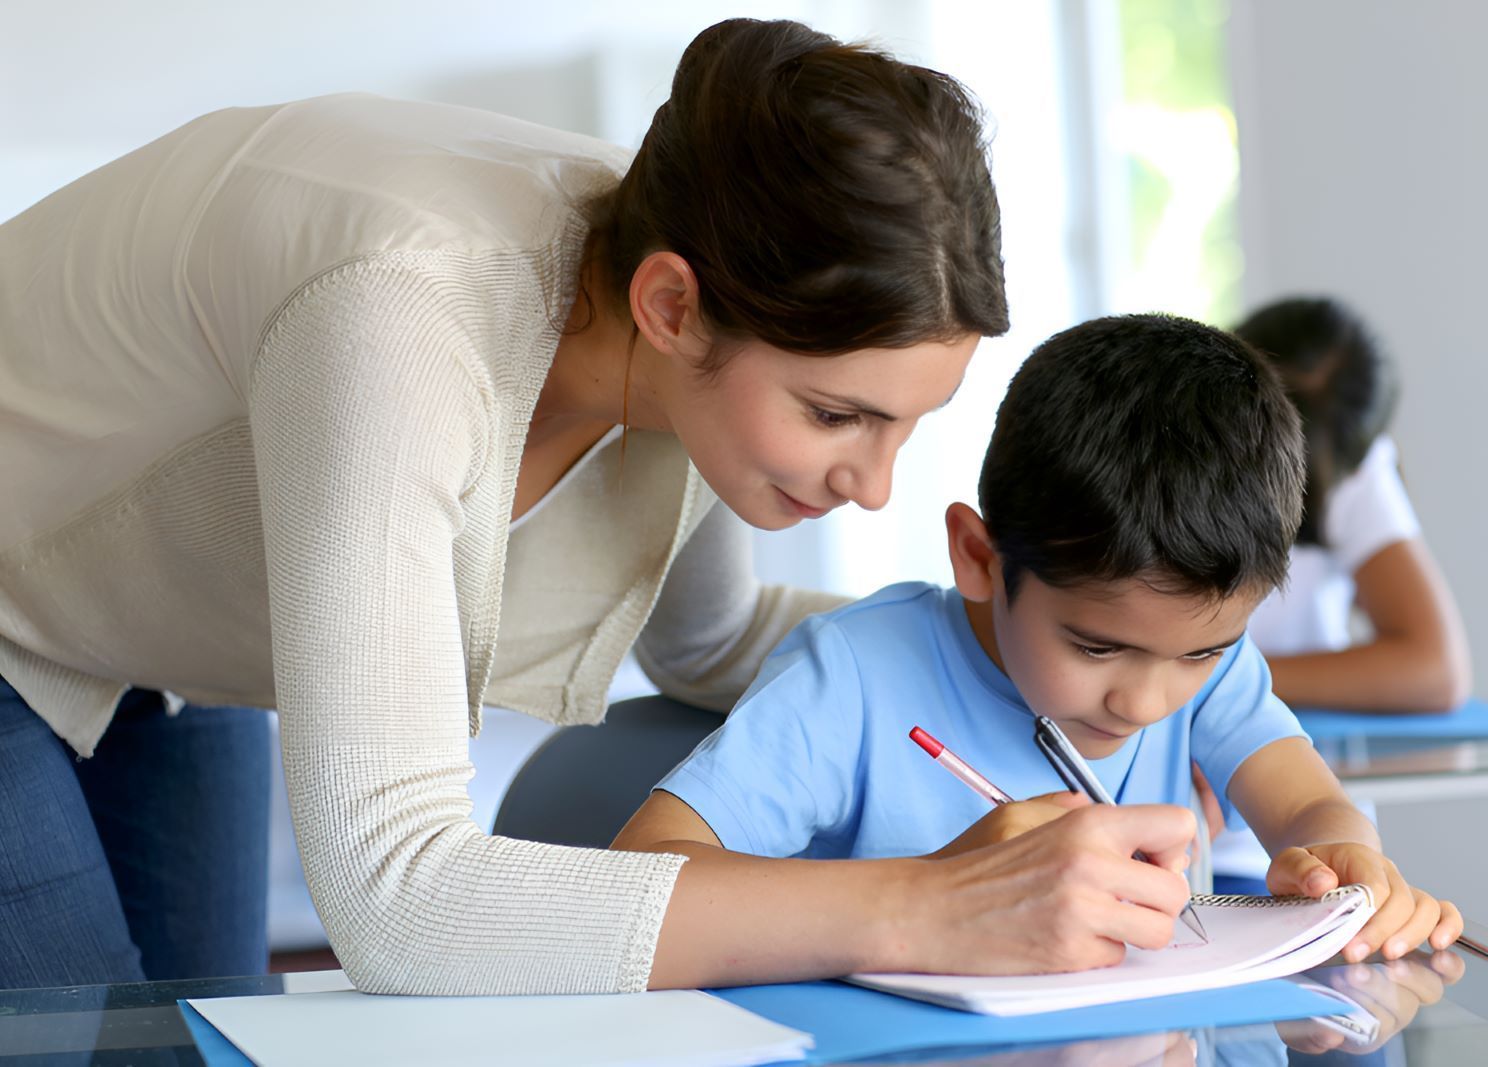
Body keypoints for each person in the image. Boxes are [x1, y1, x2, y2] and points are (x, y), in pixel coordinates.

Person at [0, 17, 1170, 995]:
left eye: (905, 422)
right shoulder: (402, 318)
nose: (873, 482)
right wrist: (926, 906)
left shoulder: (678, 296)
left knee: (201, 1033)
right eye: (835, 414)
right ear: (671, 305)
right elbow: (395, 896)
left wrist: (1088, 658)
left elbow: (707, 639)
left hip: (145, 636)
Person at [615, 315, 1464, 966]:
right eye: (1097, 647)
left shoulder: (1210, 670)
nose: (1148, 700)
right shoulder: (853, 675)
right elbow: (635, 880)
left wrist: (1346, 860)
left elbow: (1308, 805)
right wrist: (940, 889)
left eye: (1202, 652)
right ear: (980, 557)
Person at [1204, 296, 1474, 893]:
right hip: (1180, 839)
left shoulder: (1357, 467)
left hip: (1288, 840)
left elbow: (1435, 669)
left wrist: (1217, 681)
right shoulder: (1187, 451)